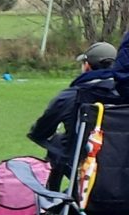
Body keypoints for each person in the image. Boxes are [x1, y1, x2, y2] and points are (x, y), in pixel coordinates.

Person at [29, 42, 120, 184]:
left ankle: (53, 194)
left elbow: (41, 131)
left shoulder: (71, 96)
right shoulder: (124, 93)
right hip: (121, 164)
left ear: (87, 66)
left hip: (84, 163)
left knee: (58, 142)